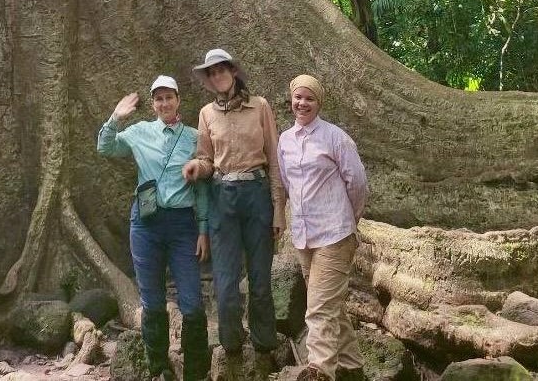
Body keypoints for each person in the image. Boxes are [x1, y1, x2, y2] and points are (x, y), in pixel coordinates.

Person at [97, 75, 210, 381]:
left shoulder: (193, 137)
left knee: (192, 303)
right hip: (146, 225)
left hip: (182, 226)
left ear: (178, 100)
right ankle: (158, 368)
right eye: (158, 99)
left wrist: (203, 229)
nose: (164, 103)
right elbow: (105, 148)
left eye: (169, 97)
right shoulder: (140, 132)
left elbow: (202, 188)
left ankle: (196, 372)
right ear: (152, 104)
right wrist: (116, 117)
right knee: (152, 301)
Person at [182, 49, 286, 375]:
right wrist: (196, 167)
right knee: (225, 284)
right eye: (211, 73)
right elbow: (207, 159)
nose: (217, 77)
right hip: (222, 198)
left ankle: (264, 346)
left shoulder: (260, 106)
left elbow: (274, 159)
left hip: (257, 195)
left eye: (221, 70)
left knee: (260, 279)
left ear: (233, 71)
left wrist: (279, 208)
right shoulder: (206, 113)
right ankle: (231, 346)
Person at [277, 74, 369, 381]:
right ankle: (353, 369)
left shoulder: (335, 138)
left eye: (310, 99)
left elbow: (357, 182)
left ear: (319, 103)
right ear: (291, 100)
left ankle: (320, 370)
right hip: (304, 236)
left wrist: (349, 219)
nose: (302, 103)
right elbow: (288, 184)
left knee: (318, 308)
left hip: (335, 234)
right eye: (298, 97)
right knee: (331, 307)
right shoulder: (285, 140)